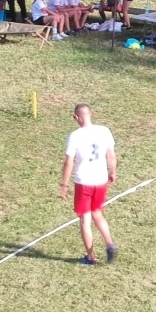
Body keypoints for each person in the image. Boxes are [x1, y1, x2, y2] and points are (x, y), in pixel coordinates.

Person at [61, 104, 117, 265]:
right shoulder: (104, 131)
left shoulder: (75, 136)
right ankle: (109, 243)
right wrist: (112, 172)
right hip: (100, 180)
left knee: (85, 219)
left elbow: (69, 162)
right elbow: (111, 155)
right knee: (97, 213)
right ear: (90, 114)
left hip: (83, 182)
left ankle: (90, 257)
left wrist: (64, 184)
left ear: (76, 117)